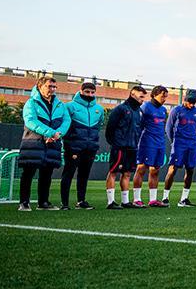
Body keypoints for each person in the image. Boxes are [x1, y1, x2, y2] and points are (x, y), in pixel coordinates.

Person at [17, 76, 70, 211]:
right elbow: (30, 121)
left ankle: (43, 202)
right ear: (40, 87)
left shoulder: (60, 104)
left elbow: (66, 121)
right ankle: (24, 202)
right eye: (49, 86)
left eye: (54, 87)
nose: (52, 89)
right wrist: (50, 133)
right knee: (28, 173)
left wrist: (58, 134)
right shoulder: (31, 103)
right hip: (33, 142)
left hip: (52, 143)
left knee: (47, 173)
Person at [60, 81, 103, 210]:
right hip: (73, 147)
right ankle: (64, 203)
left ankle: (81, 201)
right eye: (87, 92)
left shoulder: (99, 109)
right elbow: (65, 125)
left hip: (90, 147)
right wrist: (68, 143)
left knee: (84, 175)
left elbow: (99, 125)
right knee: (68, 173)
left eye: (92, 92)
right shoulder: (69, 106)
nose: (89, 94)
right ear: (81, 91)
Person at [105, 85, 145, 209]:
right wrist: (115, 143)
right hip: (120, 147)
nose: (143, 99)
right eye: (141, 96)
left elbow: (139, 128)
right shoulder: (120, 109)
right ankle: (111, 202)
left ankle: (125, 201)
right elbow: (110, 127)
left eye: (144, 97)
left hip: (132, 147)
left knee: (127, 173)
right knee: (113, 172)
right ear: (132, 94)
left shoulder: (139, 111)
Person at [163, 89, 196, 207]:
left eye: (193, 103)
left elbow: (194, 127)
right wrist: (174, 142)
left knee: (190, 170)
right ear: (185, 100)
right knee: (173, 169)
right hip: (179, 143)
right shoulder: (176, 110)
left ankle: (184, 199)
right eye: (190, 102)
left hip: (192, 143)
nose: (191, 105)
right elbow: (168, 128)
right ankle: (165, 198)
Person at [133, 85, 169, 208]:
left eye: (166, 96)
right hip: (147, 142)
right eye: (162, 96)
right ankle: (137, 199)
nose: (164, 99)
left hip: (160, 142)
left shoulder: (164, 110)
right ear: (154, 95)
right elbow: (139, 125)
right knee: (142, 168)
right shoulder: (145, 107)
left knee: (156, 170)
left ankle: (153, 200)